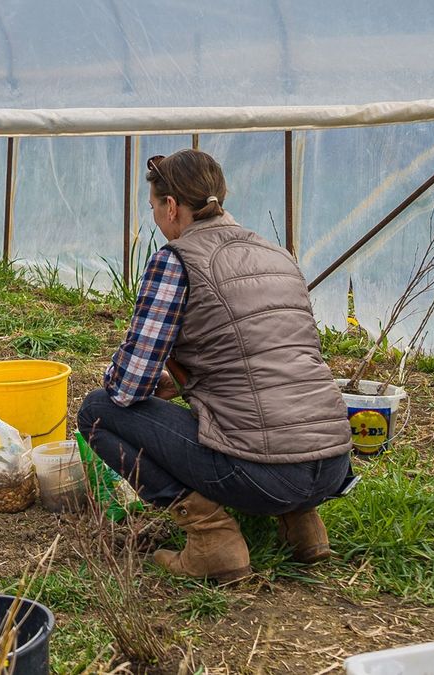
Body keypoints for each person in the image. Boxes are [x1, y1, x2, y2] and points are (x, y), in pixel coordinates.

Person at [77, 149, 352, 582]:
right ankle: (303, 523)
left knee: (97, 412)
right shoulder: (276, 253)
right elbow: (274, 359)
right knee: (271, 415)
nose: (156, 218)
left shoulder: (177, 259)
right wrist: (184, 382)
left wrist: (152, 382)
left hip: (264, 474)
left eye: (153, 207)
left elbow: (127, 387)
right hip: (334, 462)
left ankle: (213, 539)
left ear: (171, 206)